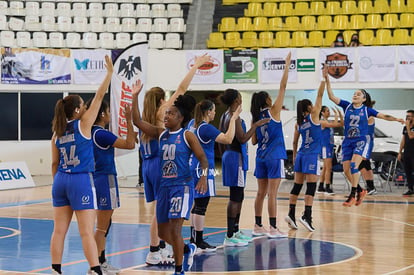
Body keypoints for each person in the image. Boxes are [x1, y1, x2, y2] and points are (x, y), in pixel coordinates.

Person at [133, 54, 212, 265]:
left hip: (146, 164)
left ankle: (158, 249)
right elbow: (182, 88)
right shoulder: (163, 113)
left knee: (158, 209)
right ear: (161, 101)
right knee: (163, 212)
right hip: (162, 165)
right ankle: (162, 249)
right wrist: (195, 66)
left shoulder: (146, 114)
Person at [50, 55, 113, 275]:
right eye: (83, 106)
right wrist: (109, 74)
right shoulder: (84, 125)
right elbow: (99, 96)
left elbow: (54, 164)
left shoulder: (57, 132)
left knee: (59, 231)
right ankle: (95, 270)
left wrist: (60, 180)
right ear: (77, 111)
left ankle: (56, 270)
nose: (87, 108)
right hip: (80, 179)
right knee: (86, 231)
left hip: (60, 180)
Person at [326, 79, 404, 206]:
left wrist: (397, 119)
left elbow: (384, 116)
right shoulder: (346, 106)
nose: (355, 95)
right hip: (347, 141)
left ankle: (352, 194)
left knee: (353, 165)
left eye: (358, 94)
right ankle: (361, 190)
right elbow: (331, 96)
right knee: (346, 170)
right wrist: (327, 80)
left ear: (363, 99)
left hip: (360, 141)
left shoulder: (368, 111)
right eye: (354, 93)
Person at [86, 99, 136, 274]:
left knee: (103, 225)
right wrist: (128, 120)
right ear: (101, 114)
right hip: (106, 179)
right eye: (108, 111)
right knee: (102, 227)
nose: (109, 114)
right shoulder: (101, 134)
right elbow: (130, 144)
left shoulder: (87, 132)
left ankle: (99, 262)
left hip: (93, 179)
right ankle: (96, 265)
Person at [188, 99, 241, 252]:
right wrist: (233, 119)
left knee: (197, 205)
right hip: (202, 169)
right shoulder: (205, 128)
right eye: (213, 110)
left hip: (193, 166)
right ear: (208, 111)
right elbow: (228, 139)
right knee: (201, 206)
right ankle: (198, 241)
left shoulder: (192, 123)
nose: (215, 113)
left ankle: (194, 239)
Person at [219, 88, 269, 247]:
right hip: (235, 158)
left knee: (238, 195)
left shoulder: (224, 115)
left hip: (230, 156)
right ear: (236, 100)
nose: (241, 98)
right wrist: (256, 125)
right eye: (240, 96)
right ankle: (229, 235)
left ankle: (234, 231)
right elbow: (242, 138)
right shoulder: (234, 118)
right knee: (235, 196)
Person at [250, 52, 291, 238]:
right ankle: (273, 228)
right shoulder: (274, 111)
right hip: (274, 156)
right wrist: (287, 65)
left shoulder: (256, 118)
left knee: (260, 193)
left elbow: (254, 141)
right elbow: (283, 86)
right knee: (272, 194)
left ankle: (258, 225)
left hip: (261, 157)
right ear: (267, 100)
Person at [284, 67, 326, 233]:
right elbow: (320, 95)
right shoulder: (314, 117)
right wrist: (323, 79)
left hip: (301, 155)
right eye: (311, 105)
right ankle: (306, 216)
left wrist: (294, 156)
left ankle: (291, 214)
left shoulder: (299, 123)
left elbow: (294, 142)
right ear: (309, 108)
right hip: (310, 156)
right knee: (311, 187)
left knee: (296, 186)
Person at [317, 106, 343, 195]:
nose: (329, 112)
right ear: (322, 112)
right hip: (325, 147)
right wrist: (336, 115)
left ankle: (320, 186)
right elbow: (335, 124)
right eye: (327, 111)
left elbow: (340, 124)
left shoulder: (327, 121)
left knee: (325, 167)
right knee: (329, 167)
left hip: (329, 146)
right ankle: (327, 187)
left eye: (329, 111)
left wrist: (340, 115)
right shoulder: (322, 122)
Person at [358, 101, 377, 195]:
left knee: (361, 164)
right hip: (365, 142)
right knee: (366, 165)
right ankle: (371, 187)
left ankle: (370, 186)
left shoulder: (370, 117)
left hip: (367, 142)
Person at [398, 110, 414, 196]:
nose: (407, 118)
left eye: (410, 116)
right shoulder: (405, 128)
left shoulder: (408, 127)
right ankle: (410, 189)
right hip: (407, 152)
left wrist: (408, 126)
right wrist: (400, 152)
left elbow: (411, 136)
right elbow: (403, 140)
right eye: (407, 116)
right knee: (408, 171)